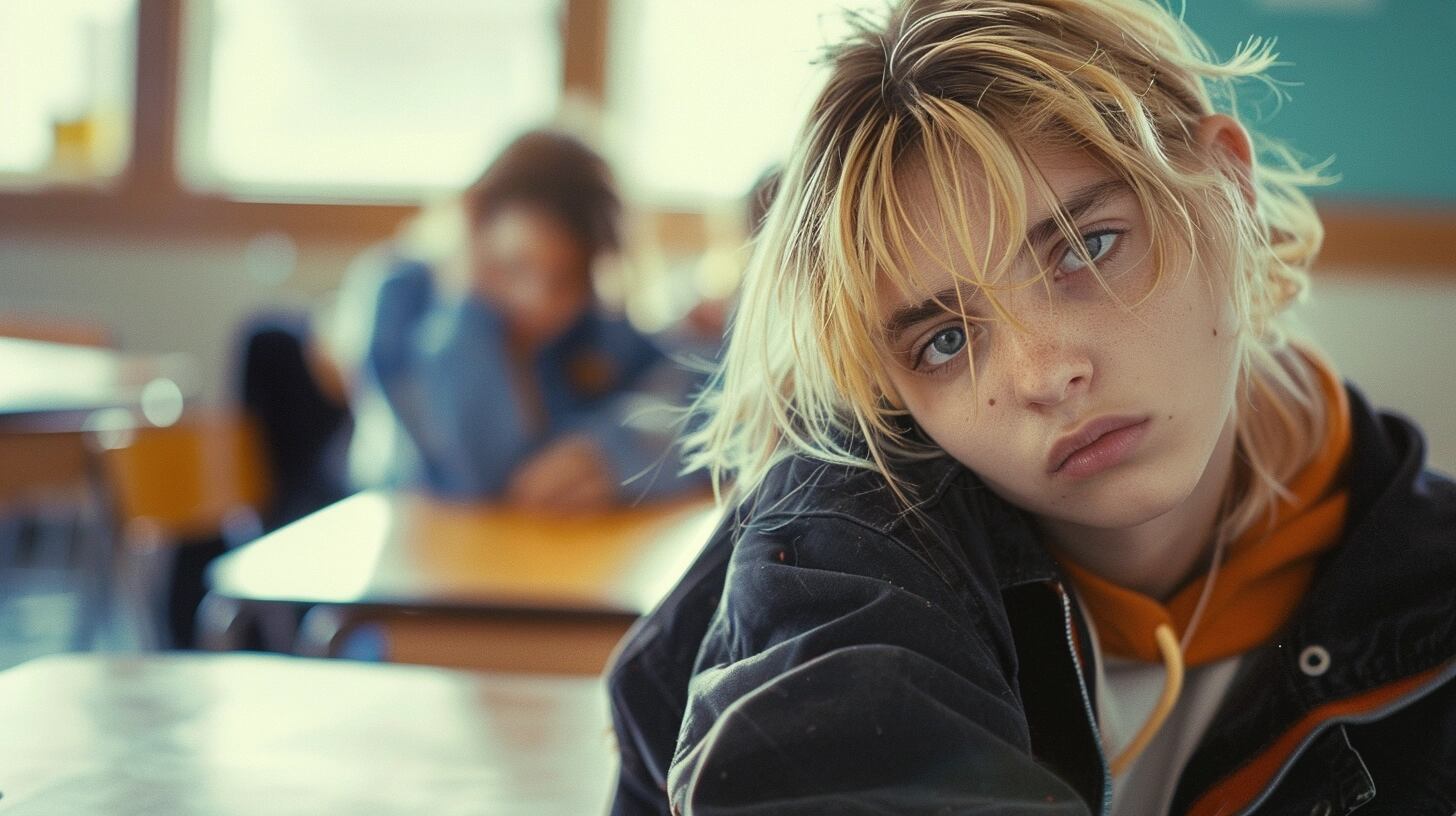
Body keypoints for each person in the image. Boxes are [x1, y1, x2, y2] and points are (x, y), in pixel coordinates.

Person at [606, 1, 1456, 814]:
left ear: (1228, 186)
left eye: (1087, 246)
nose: (1045, 372)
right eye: (945, 339)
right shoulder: (841, 547)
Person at [346, 129, 702, 509]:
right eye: (514, 266)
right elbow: (476, 477)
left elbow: (709, 405)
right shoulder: (402, 301)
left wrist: (616, 450)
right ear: (473, 232)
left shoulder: (593, 327)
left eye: (567, 279)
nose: (538, 301)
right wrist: (469, 310)